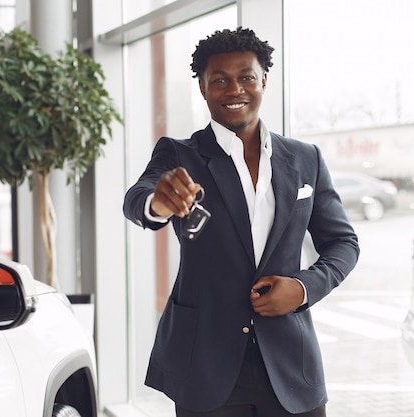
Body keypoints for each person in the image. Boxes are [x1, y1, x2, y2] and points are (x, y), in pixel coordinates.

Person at [123, 27, 359, 417]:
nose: (235, 89)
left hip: (289, 365)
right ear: (203, 88)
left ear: (263, 80)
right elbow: (138, 200)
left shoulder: (306, 158)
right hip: (205, 364)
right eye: (220, 80)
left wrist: (302, 288)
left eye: (246, 77)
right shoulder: (179, 154)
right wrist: (158, 202)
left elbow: (343, 244)